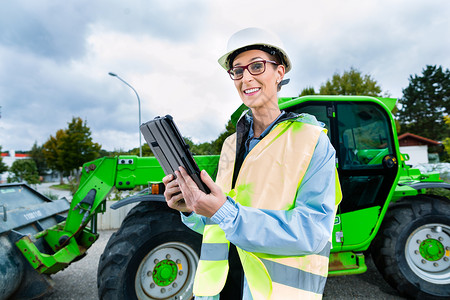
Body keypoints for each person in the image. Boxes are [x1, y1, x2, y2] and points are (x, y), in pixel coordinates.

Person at [163, 27, 342, 300]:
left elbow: (313, 232)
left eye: (257, 66)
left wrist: (225, 213)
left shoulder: (312, 141)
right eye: (237, 70)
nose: (246, 77)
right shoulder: (230, 145)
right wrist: (192, 210)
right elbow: (218, 225)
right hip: (218, 291)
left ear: (279, 73)